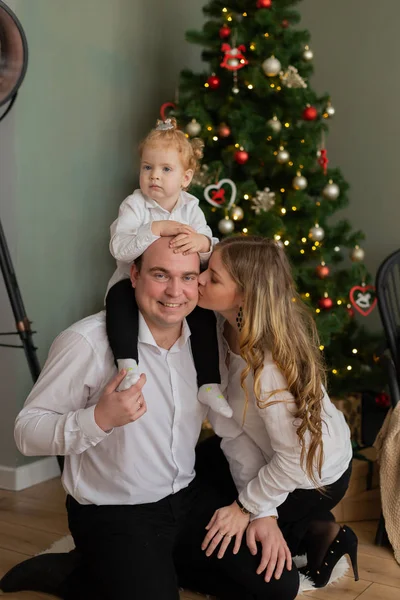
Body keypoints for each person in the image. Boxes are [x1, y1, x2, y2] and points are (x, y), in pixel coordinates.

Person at [1, 237, 300, 600]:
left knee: (277, 586)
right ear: (134, 275)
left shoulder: (209, 343)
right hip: (114, 512)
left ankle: (154, 565)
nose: (175, 291)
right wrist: (98, 418)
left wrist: (262, 512)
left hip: (184, 497)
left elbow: (231, 432)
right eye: (161, 274)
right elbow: (25, 431)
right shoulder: (87, 342)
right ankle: (74, 574)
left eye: (189, 277)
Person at [196, 235, 358, 589]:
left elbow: (294, 461)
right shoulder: (221, 329)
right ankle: (312, 527)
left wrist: (246, 508)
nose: (200, 278)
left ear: (245, 295)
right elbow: (233, 433)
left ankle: (312, 527)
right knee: (201, 468)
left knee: (225, 527)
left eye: (214, 277)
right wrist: (260, 510)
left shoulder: (270, 371)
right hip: (278, 453)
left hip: (312, 477)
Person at [105, 117, 231, 417]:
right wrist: (154, 229)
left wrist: (202, 242)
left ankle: (209, 382)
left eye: (165, 169)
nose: (154, 177)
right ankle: (128, 365)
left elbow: (209, 249)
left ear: (186, 178)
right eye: (147, 167)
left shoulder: (191, 207)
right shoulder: (135, 206)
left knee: (202, 314)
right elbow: (119, 249)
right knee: (118, 302)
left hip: (179, 284)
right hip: (133, 283)